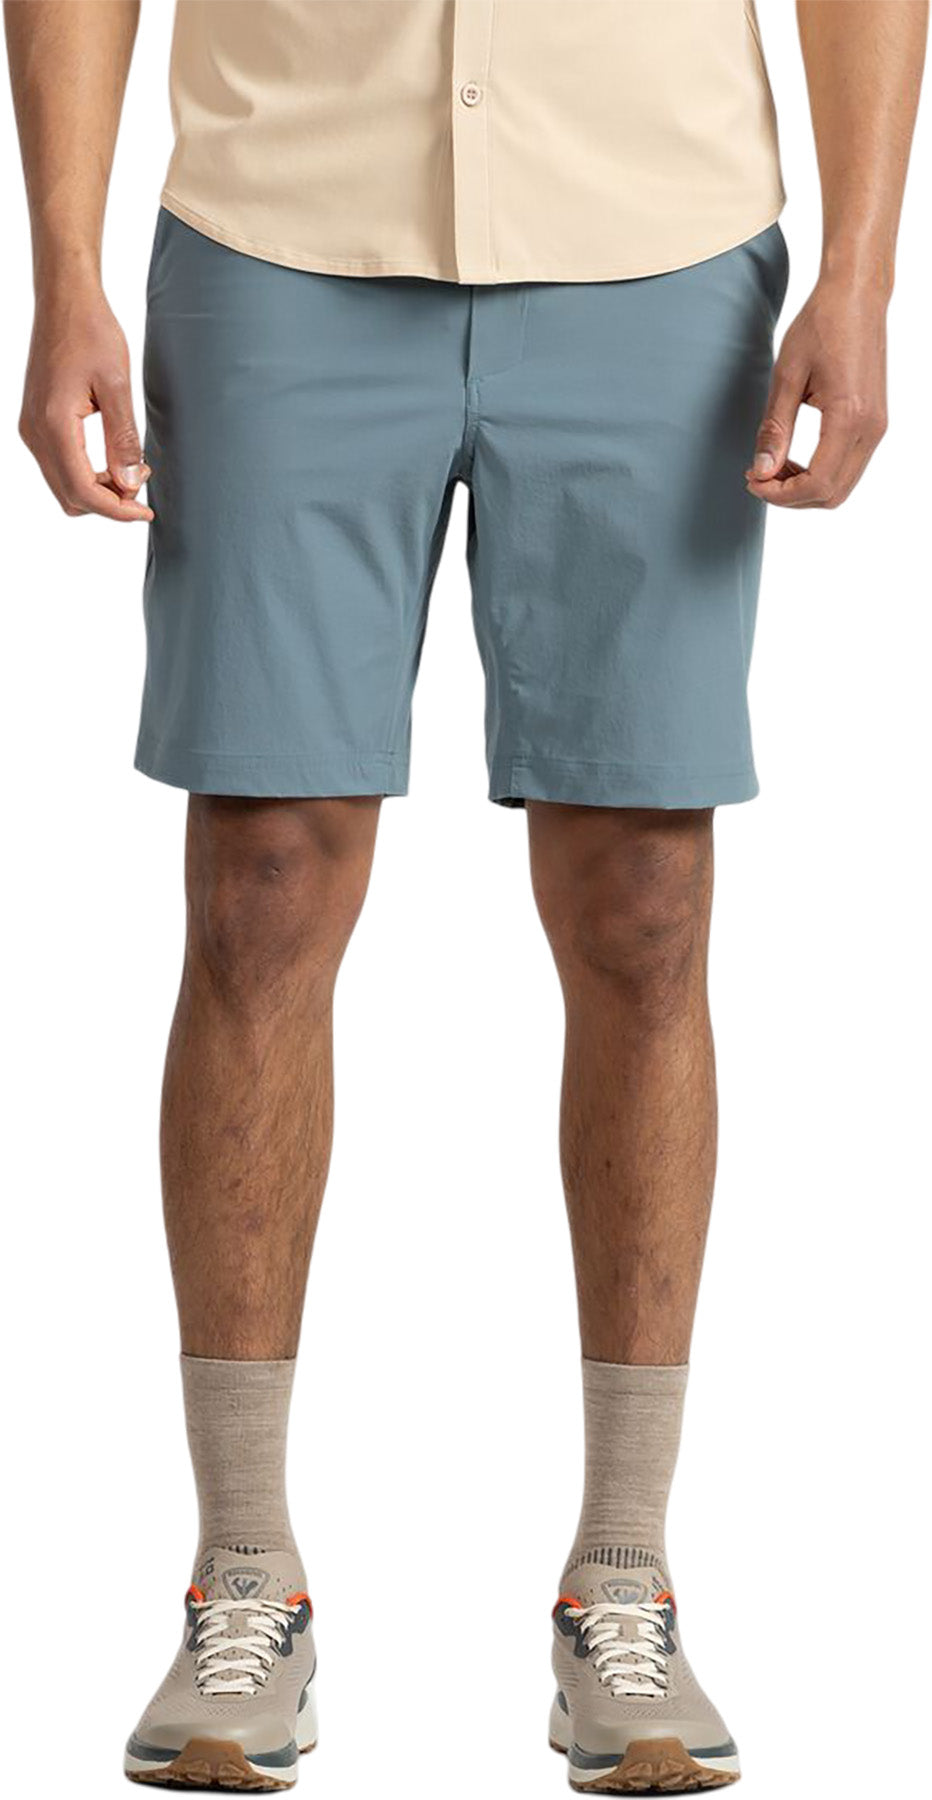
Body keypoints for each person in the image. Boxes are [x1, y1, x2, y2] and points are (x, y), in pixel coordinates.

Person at [6, 1, 927, 1791]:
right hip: (281, 224)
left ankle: (624, 1577)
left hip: (657, 240)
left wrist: (865, 269)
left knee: (647, 899)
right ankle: (243, 1574)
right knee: (261, 883)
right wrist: (62, 269)